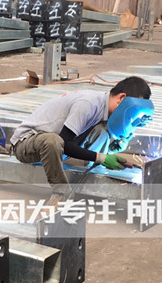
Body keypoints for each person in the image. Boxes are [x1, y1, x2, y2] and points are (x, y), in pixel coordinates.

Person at [10, 76, 154, 203]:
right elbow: (65, 144)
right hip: (26, 144)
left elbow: (99, 134)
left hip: (57, 145)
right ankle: (61, 193)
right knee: (53, 140)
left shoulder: (103, 109)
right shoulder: (88, 104)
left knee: (103, 130)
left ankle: (93, 176)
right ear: (121, 99)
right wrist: (101, 157)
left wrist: (113, 146)